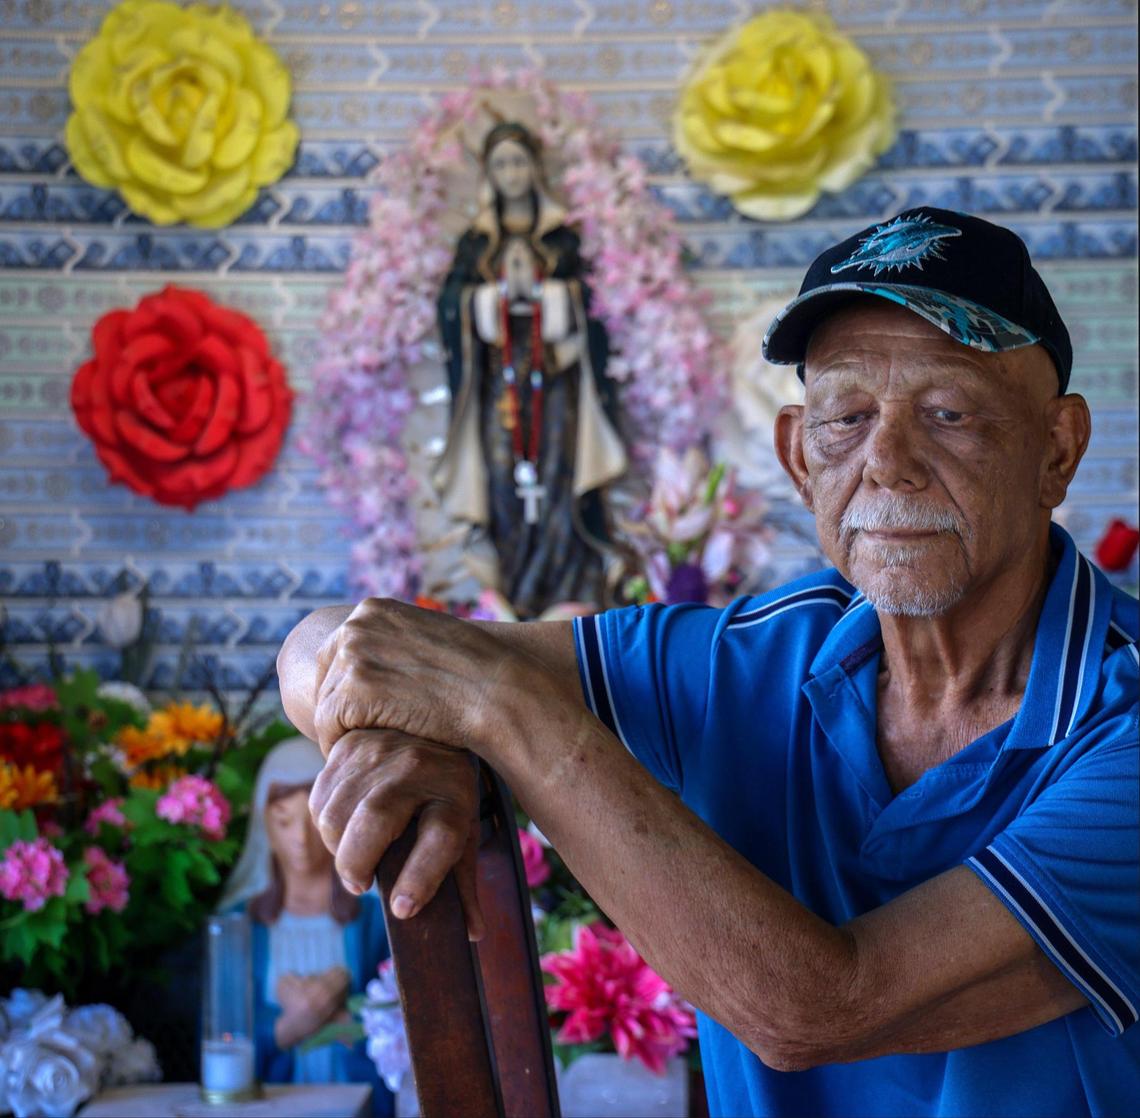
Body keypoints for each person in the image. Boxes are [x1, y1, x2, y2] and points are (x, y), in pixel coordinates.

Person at [278, 208, 1138, 1117]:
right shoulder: (752, 656)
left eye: (949, 411)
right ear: (799, 459)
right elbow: (328, 645)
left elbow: (819, 1010)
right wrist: (405, 733)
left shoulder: (1119, 716)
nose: (887, 462)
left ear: (1057, 450)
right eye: (846, 416)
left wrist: (499, 710)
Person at [434, 120, 627, 617]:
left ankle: (565, 590)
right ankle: (511, 590)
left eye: (519, 161)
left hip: (556, 379)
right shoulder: (476, 245)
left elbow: (593, 304)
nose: (511, 173)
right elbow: (450, 305)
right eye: (501, 164)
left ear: (535, 168)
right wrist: (494, 297)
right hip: (498, 381)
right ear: (488, 174)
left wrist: (548, 295)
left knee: (559, 473)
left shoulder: (561, 239)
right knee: (501, 476)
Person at [219, 737, 394, 1116]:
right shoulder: (238, 926)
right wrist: (291, 1025)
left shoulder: (374, 920)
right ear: (264, 823)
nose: (300, 839)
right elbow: (224, 1029)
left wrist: (339, 1019)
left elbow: (402, 1019)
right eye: (284, 820)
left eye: (314, 821)